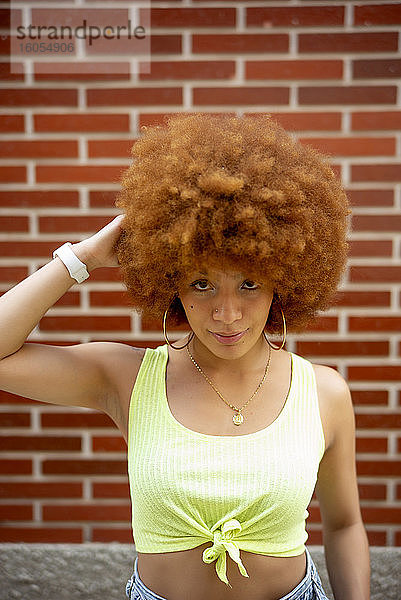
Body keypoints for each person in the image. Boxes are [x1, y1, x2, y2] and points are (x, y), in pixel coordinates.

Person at [0, 113, 370, 600]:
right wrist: (84, 257)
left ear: (283, 281)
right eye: (202, 283)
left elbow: (344, 526)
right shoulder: (126, 378)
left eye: (249, 284)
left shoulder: (324, 392)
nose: (227, 313)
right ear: (169, 282)